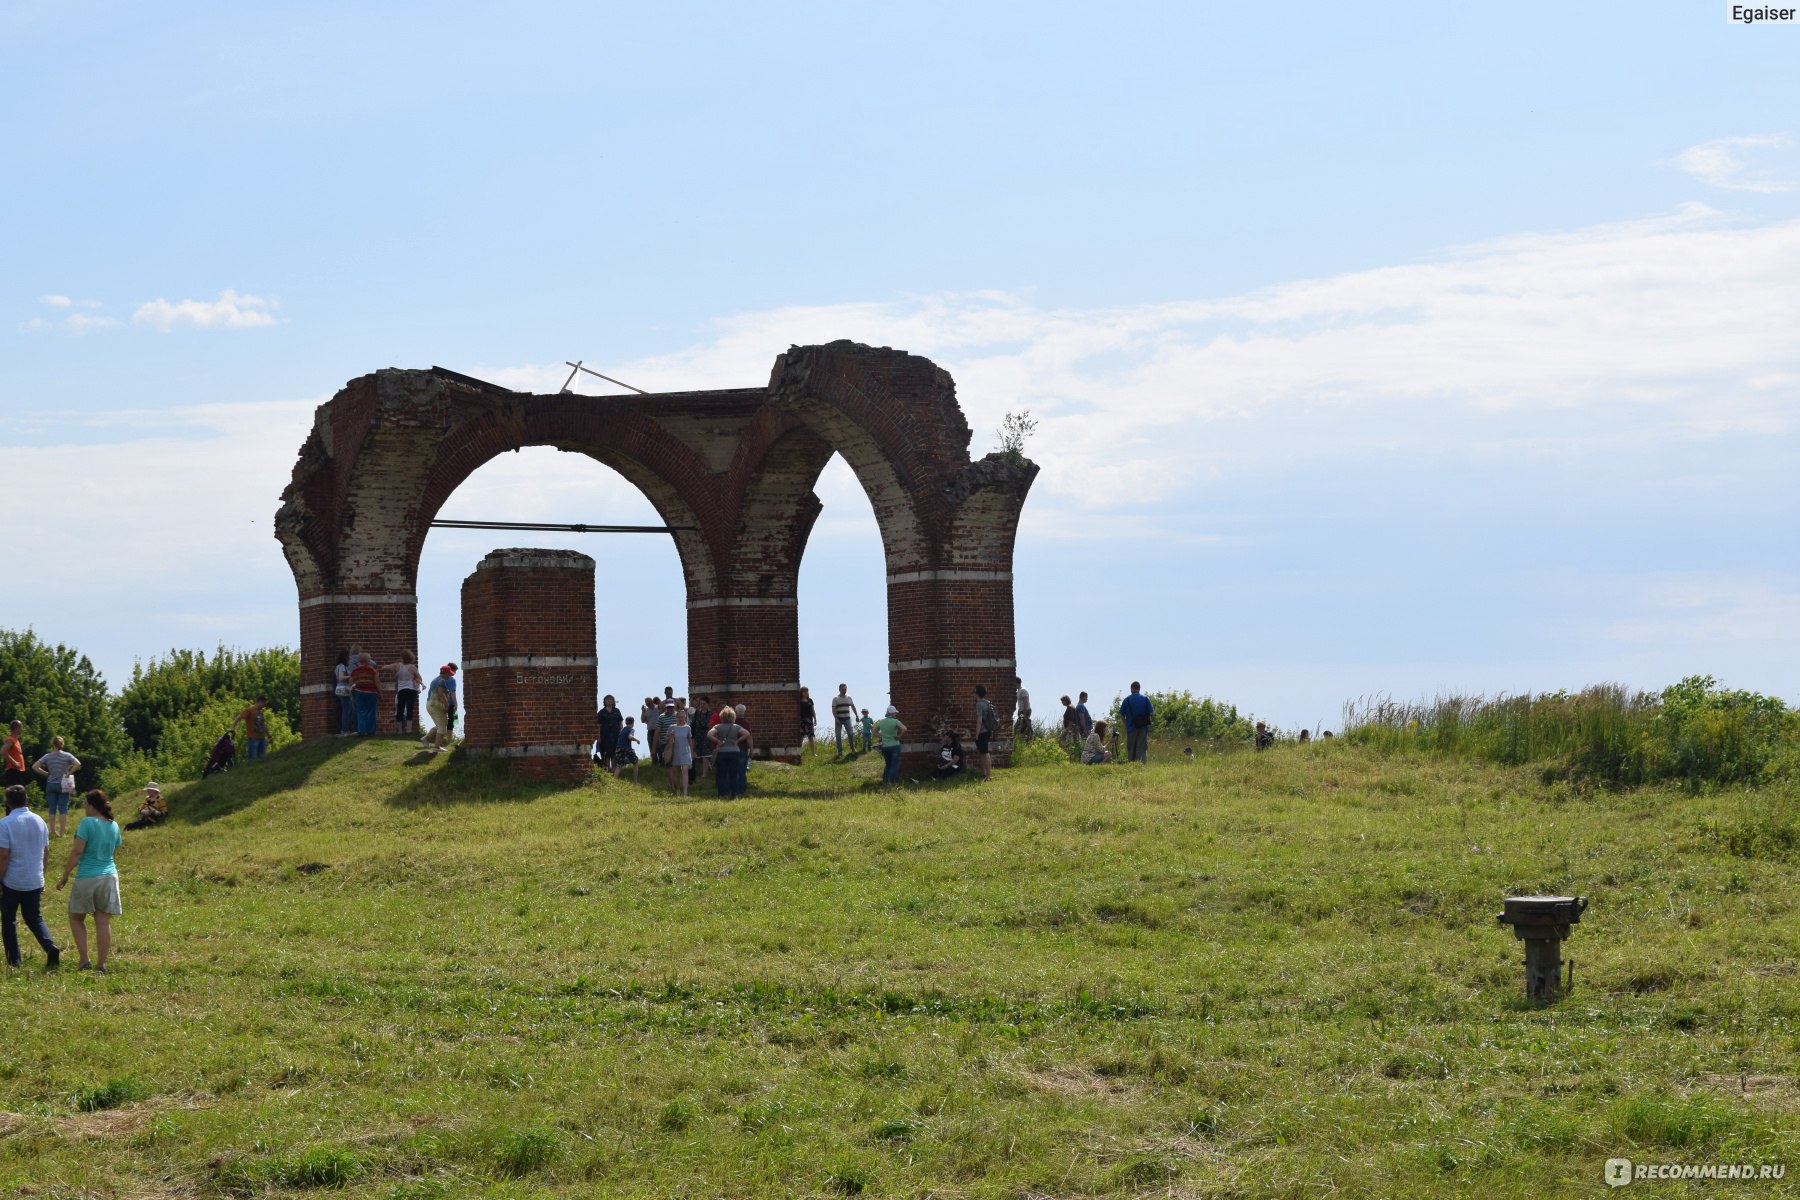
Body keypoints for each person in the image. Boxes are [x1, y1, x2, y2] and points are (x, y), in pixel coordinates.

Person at [56, 790, 120, 973]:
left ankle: (84, 959)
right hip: (109, 876)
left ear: (92, 805)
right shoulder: (113, 825)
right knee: (102, 922)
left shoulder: (87, 823)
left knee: (76, 917)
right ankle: (101, 965)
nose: (84, 806)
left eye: (85, 803)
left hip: (87, 876)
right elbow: (113, 853)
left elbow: (77, 852)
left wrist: (65, 875)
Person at [0, 784, 59, 969]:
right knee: (34, 917)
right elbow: (46, 852)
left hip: (12, 880)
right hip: (34, 878)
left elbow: (3, 855)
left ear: (8, 803)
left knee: (8, 920)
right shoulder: (39, 821)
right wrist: (42, 874)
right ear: (27, 800)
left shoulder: (5, 823)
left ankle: (14, 960)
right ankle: (50, 947)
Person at [32, 737, 81, 838]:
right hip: (64, 782)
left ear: (52, 744)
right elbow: (78, 764)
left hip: (50, 783)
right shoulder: (67, 755)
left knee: (52, 808)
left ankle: (53, 831)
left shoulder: (47, 756)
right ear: (62, 744)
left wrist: (46, 774)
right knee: (63, 809)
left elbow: (35, 766)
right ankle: (62, 833)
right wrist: (69, 773)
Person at [709, 707, 750, 798]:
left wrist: (717, 741)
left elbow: (709, 734)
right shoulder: (736, 727)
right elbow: (747, 733)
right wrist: (738, 740)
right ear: (733, 717)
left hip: (722, 752)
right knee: (734, 774)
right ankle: (734, 794)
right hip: (734, 751)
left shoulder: (718, 726)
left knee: (721, 774)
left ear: (722, 716)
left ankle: (722, 794)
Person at [423, 664, 457, 752]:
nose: (450, 675)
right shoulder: (442, 681)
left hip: (429, 704)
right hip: (436, 706)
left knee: (439, 726)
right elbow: (440, 694)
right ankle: (436, 747)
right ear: (445, 672)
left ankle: (426, 739)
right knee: (442, 727)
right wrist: (446, 706)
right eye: (449, 673)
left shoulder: (435, 679)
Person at [1119, 682, 1154, 764]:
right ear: (1139, 688)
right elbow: (1152, 713)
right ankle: (1140, 765)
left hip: (1131, 728)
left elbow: (1121, 715)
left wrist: (1126, 724)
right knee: (1141, 747)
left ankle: (1131, 764)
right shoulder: (1145, 699)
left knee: (1131, 748)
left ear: (1132, 688)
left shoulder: (1127, 700)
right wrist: (1146, 720)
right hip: (1143, 728)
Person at [350, 652, 381, 735]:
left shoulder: (355, 670)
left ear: (359, 661)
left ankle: (362, 730)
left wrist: (354, 687)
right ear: (368, 661)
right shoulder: (372, 670)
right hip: (372, 692)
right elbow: (377, 682)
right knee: (371, 711)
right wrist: (380, 692)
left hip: (359, 692)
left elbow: (351, 681)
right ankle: (371, 730)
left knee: (360, 711)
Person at [972, 686, 1000, 780]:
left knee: (985, 752)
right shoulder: (987, 702)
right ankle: (983, 773)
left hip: (982, 731)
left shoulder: (979, 704)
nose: (973, 693)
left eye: (974, 692)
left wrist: (976, 734)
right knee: (982, 752)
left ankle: (988, 776)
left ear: (977, 693)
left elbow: (979, 720)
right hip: (988, 730)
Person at [392, 651, 422, 735]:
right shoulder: (413, 667)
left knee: (400, 709)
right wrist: (414, 679)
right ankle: (409, 730)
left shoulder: (399, 667)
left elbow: (395, 676)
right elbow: (420, 678)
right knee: (410, 709)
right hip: (411, 690)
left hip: (401, 690)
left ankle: (400, 731)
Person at [875, 706, 907, 785]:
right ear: (892, 713)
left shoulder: (881, 722)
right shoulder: (895, 721)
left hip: (885, 747)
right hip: (895, 746)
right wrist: (899, 736)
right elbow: (904, 729)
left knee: (888, 764)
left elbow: (874, 731)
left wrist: (881, 736)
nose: (896, 714)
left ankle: (885, 781)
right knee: (894, 765)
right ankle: (893, 782)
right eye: (895, 713)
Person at [666, 711, 693, 797]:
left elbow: (690, 740)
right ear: (676, 717)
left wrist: (692, 752)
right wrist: (670, 736)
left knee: (685, 770)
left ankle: (685, 792)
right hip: (675, 751)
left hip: (685, 751)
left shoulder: (687, 728)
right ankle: (677, 789)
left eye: (682, 717)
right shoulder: (672, 727)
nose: (681, 718)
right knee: (676, 772)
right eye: (679, 717)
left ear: (685, 717)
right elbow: (666, 738)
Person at [234, 696, 270, 761]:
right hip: (253, 739)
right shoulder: (249, 710)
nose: (264, 706)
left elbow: (263, 725)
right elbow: (238, 717)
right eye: (264, 704)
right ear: (259, 702)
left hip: (262, 738)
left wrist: (269, 736)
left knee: (262, 759)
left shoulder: (260, 712)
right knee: (252, 759)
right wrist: (233, 728)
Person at [596, 695, 623, 767]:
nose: (609, 701)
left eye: (611, 699)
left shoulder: (617, 711)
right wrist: (598, 737)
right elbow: (598, 725)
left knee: (615, 753)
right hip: (605, 736)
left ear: (613, 701)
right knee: (606, 754)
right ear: (604, 701)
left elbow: (620, 722)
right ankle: (607, 771)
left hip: (616, 735)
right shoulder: (601, 712)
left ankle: (614, 770)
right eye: (607, 699)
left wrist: (622, 733)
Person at [689, 696, 713, 780]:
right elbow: (693, 725)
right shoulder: (697, 713)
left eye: (704, 704)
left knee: (706, 755)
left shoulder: (711, 713)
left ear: (708, 704)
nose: (702, 705)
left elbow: (709, 724)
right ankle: (709, 770)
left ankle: (704, 774)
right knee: (699, 756)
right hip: (698, 736)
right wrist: (692, 737)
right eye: (701, 704)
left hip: (708, 736)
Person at [333, 649, 355, 736]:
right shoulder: (342, 666)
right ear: (345, 657)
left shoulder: (337, 666)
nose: (349, 659)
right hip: (343, 689)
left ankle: (344, 729)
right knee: (346, 710)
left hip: (339, 689)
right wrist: (350, 676)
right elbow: (341, 677)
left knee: (345, 710)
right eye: (348, 657)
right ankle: (345, 730)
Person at [2, 720, 28, 792]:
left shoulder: (16, 740)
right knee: (14, 795)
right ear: (17, 728)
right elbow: (3, 751)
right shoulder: (10, 740)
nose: (22, 729)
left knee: (19, 794)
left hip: (18, 771)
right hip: (13, 771)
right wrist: (15, 762)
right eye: (21, 727)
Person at [831, 684, 857, 755]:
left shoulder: (849, 698)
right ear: (839, 689)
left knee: (851, 734)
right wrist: (836, 718)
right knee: (838, 735)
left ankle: (853, 748)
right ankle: (839, 751)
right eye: (842, 689)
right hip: (839, 719)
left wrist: (856, 715)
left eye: (845, 689)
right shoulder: (835, 698)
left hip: (847, 719)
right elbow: (833, 710)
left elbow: (853, 706)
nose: (844, 691)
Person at [798, 687, 817, 751]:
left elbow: (813, 710)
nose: (806, 693)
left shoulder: (810, 700)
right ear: (801, 693)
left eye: (807, 691)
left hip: (810, 721)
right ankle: (798, 752)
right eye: (804, 691)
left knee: (811, 737)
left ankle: (813, 754)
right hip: (802, 721)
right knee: (801, 737)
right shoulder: (799, 701)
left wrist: (815, 719)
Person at [1014, 678, 1032, 743]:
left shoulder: (1023, 690)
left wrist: (1024, 711)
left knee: (1023, 724)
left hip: (1025, 711)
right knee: (1021, 725)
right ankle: (1025, 740)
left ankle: (1028, 739)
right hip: (1021, 711)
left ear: (1016, 682)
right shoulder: (1018, 691)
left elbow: (1026, 701)